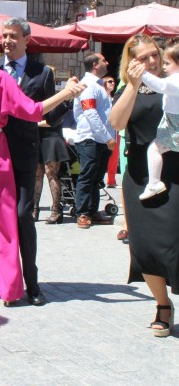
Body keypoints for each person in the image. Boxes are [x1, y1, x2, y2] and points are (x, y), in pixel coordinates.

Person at [0, 27, 83, 305]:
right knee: (2, 220)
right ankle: (10, 291)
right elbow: (32, 111)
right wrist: (66, 94)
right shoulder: (0, 78)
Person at [109, 33, 178, 337]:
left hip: (175, 170)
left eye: (154, 54)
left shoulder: (173, 81)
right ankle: (162, 304)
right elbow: (116, 123)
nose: (152, 61)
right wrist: (135, 86)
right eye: (143, 57)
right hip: (140, 174)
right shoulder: (128, 88)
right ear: (131, 61)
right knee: (146, 246)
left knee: (174, 243)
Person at [73, 53, 116, 229]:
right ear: (95, 65)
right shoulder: (89, 85)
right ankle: (82, 212)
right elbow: (89, 112)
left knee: (96, 177)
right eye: (104, 60)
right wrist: (107, 137)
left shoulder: (98, 85)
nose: (107, 62)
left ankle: (91, 211)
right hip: (91, 138)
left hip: (100, 139)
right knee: (88, 175)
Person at [138, 41, 179, 200]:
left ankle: (154, 182)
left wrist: (143, 73)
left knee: (154, 149)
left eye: (168, 63)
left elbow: (160, 86)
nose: (164, 67)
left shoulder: (175, 79)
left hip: (174, 123)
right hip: (172, 121)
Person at [32, 72, 72, 225]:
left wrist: (31, 122)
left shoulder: (56, 99)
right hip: (38, 139)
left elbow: (52, 121)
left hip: (52, 139)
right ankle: (34, 209)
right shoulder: (34, 99)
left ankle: (56, 210)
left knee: (51, 174)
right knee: (37, 175)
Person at [102, 74, 121, 188]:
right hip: (103, 132)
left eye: (113, 81)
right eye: (109, 81)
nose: (112, 83)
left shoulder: (113, 98)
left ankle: (111, 180)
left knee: (114, 157)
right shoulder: (101, 97)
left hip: (114, 131)